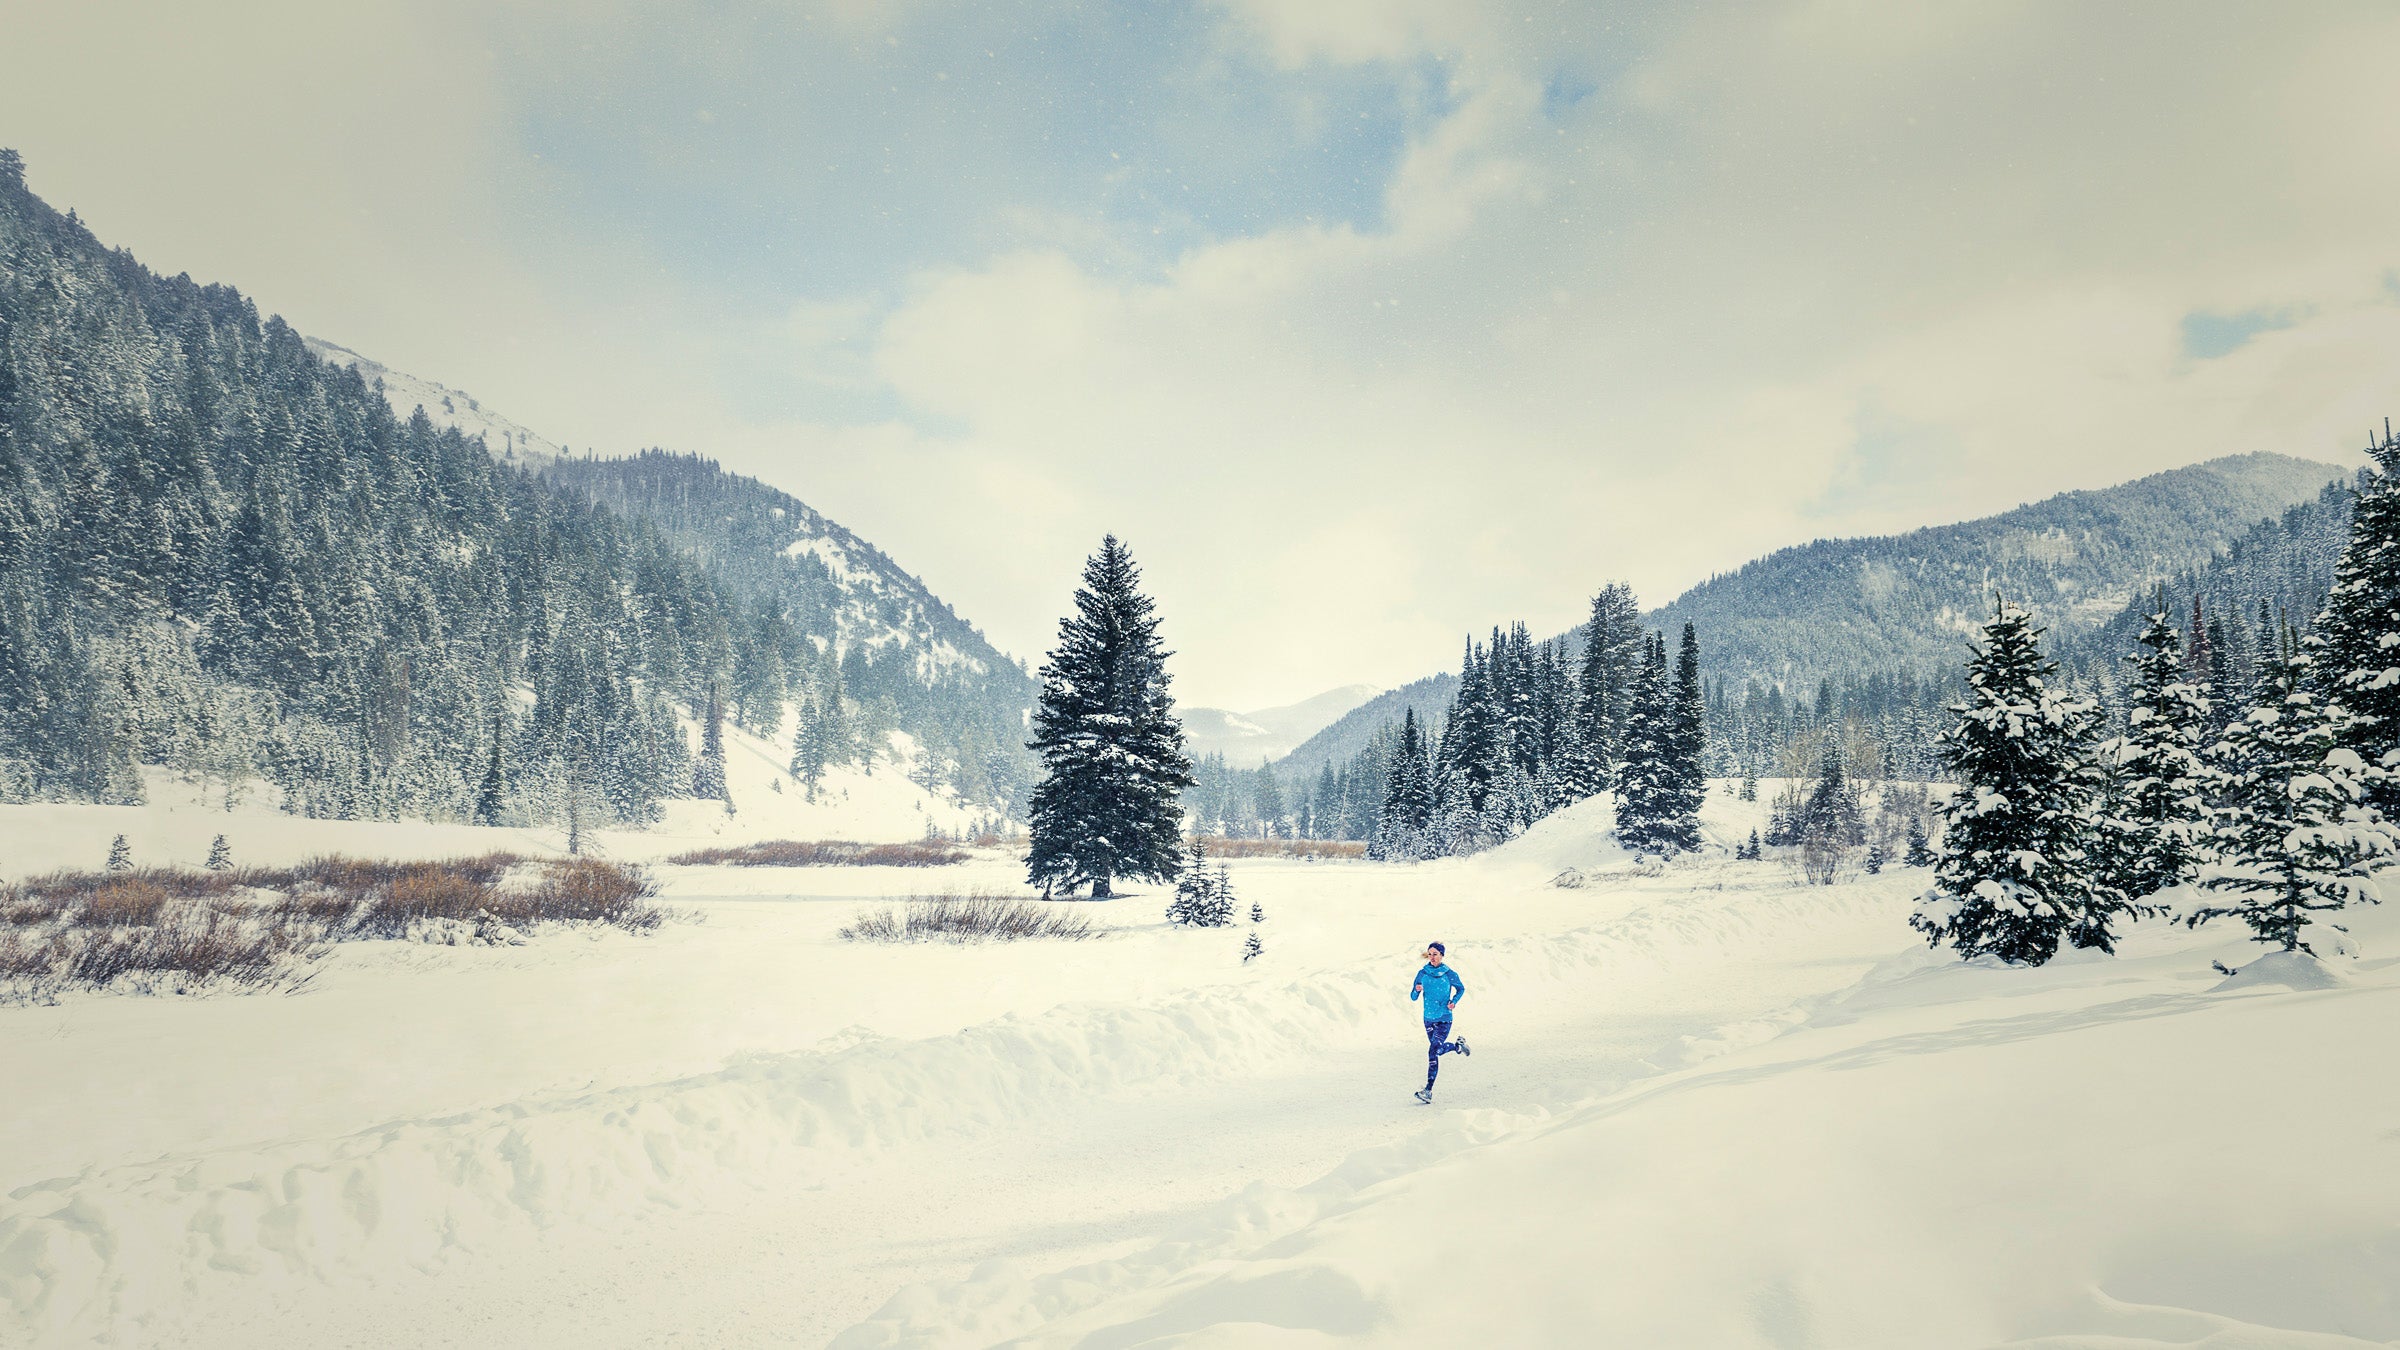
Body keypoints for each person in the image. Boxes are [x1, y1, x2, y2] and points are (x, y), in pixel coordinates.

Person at [1410, 940, 1469, 1103]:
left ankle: (1428, 1090)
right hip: (1428, 1019)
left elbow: (1461, 988)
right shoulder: (1422, 973)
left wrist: (1454, 1001)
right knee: (1437, 1051)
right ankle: (1458, 1047)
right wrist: (1416, 990)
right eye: (1430, 954)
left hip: (1444, 1018)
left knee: (1432, 1052)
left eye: (1435, 954)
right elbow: (1413, 997)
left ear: (1442, 955)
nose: (1432, 957)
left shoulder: (1449, 973)